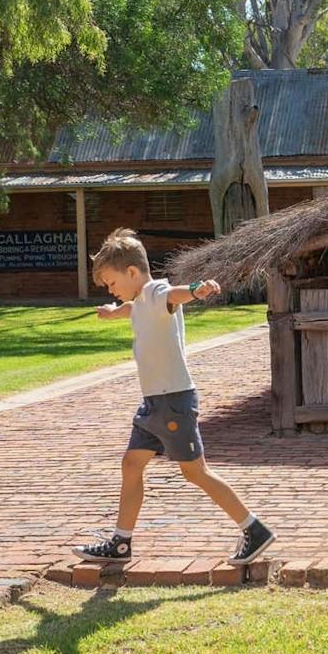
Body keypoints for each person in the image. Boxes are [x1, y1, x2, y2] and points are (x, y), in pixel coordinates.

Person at [73, 228, 275, 565]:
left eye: (111, 283)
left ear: (132, 272)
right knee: (131, 464)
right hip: (154, 404)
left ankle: (254, 530)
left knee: (195, 472)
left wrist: (196, 290)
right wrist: (112, 311)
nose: (111, 290)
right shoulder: (141, 301)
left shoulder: (155, 292)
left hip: (172, 402)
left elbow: (173, 295)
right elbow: (132, 310)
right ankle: (121, 543)